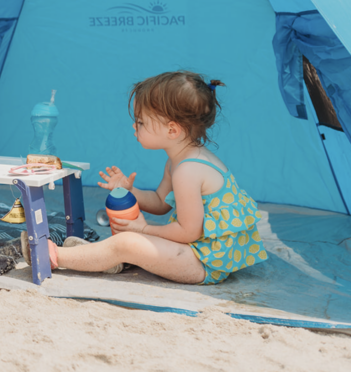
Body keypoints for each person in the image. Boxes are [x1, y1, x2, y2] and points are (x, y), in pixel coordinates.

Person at [30, 71, 267, 285]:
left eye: (141, 122)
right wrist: (129, 191)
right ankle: (104, 258)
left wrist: (144, 229)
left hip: (204, 263)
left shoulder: (188, 170)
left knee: (127, 243)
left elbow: (189, 232)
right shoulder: (179, 160)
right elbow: (160, 202)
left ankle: (51, 256)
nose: (135, 126)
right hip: (197, 252)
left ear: (172, 130)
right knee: (131, 240)